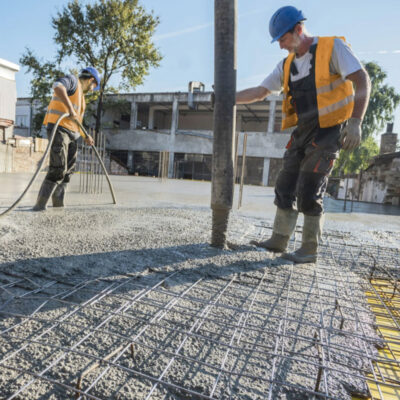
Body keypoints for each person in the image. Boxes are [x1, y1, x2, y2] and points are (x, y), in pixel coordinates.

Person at [236, 6, 371, 263]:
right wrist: (228, 99)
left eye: (283, 39)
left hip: (330, 130)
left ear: (299, 29)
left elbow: (362, 79)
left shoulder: (332, 49)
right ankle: (279, 239)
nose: (281, 46)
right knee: (285, 184)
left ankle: (309, 248)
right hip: (303, 132)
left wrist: (356, 122)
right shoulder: (286, 65)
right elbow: (260, 91)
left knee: (310, 188)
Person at [33, 67, 100, 211]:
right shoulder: (72, 81)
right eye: (94, 86)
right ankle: (40, 205)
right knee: (58, 168)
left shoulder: (81, 97)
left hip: (73, 133)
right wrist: (70, 108)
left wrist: (85, 136)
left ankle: (58, 204)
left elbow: (77, 121)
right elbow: (57, 87)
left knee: (68, 171)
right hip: (59, 128)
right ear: (91, 80)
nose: (93, 90)